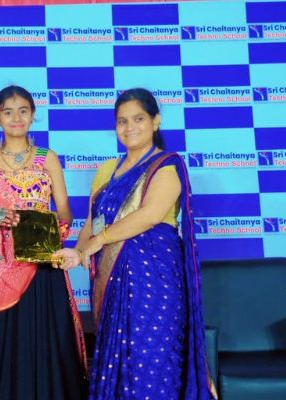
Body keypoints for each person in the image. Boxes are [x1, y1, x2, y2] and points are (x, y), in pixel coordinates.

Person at [53, 88, 215, 399]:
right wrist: (79, 250)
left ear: (155, 121)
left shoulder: (166, 165)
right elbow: (93, 222)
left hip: (156, 283)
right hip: (113, 282)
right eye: (122, 121)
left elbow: (150, 215)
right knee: (117, 362)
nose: (130, 128)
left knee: (152, 359)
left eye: (138, 119)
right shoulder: (106, 171)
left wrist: (99, 241)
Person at [0, 85, 87, 400]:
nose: (16, 118)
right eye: (8, 112)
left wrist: (48, 229)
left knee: (45, 341)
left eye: (23, 111)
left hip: (41, 267)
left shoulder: (47, 158)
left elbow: (65, 212)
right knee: (4, 343)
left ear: (32, 115)